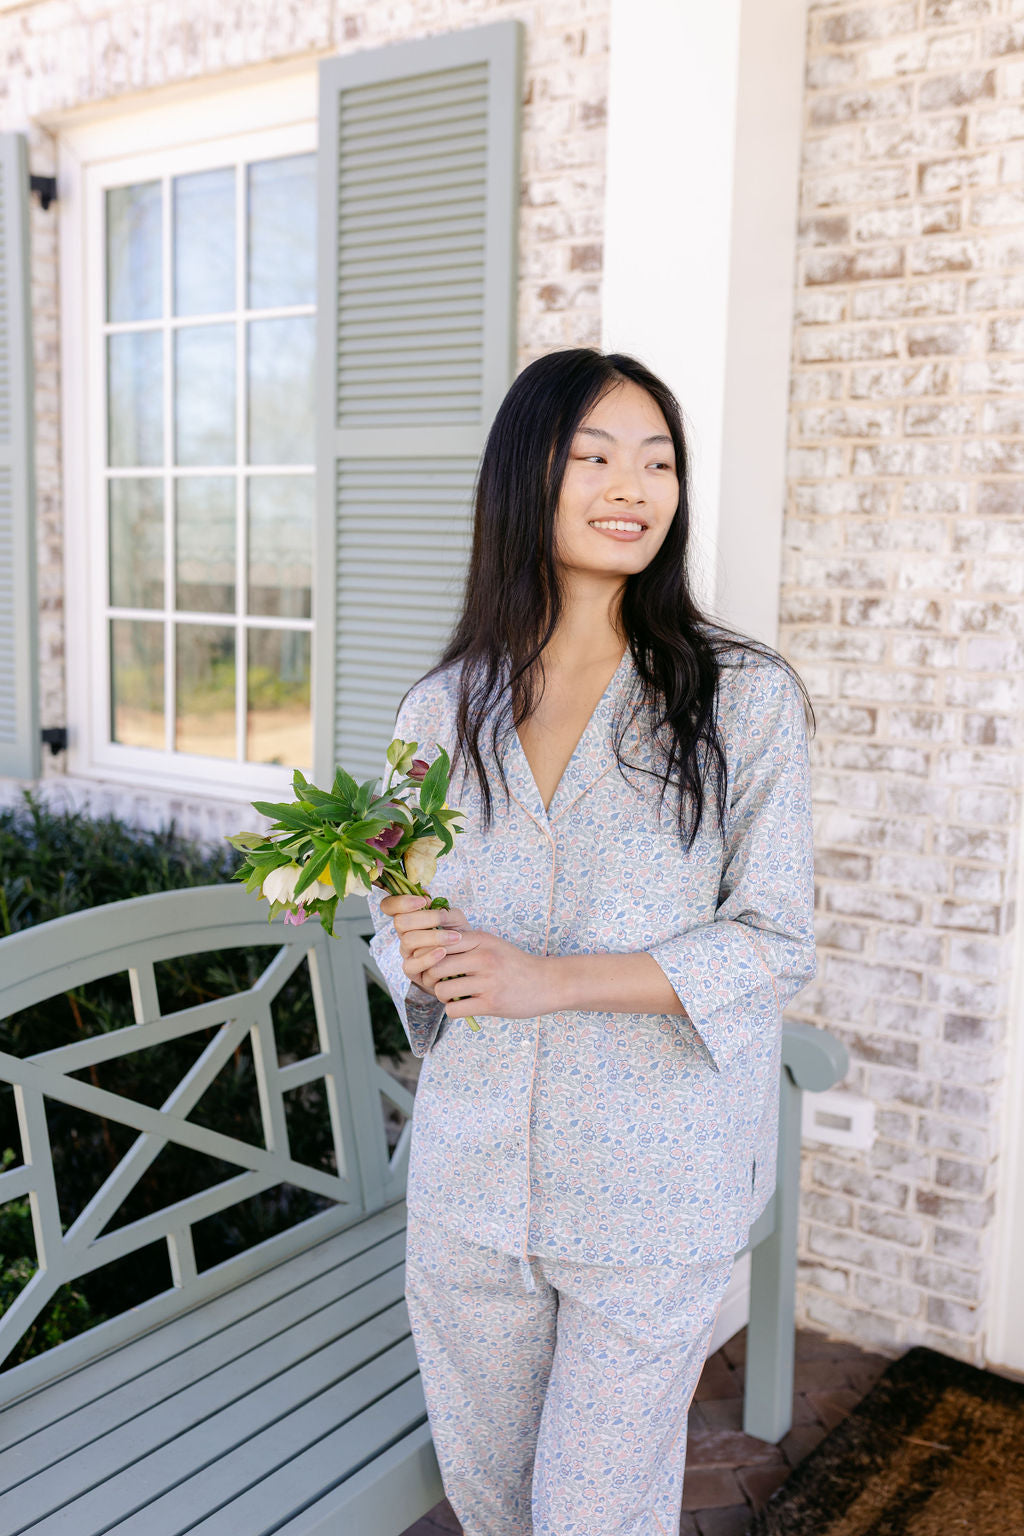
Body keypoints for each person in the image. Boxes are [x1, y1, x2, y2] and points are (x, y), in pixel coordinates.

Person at [366, 348, 817, 1536]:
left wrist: (548, 979)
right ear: (529, 477)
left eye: (658, 461)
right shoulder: (440, 707)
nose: (635, 485)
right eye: (596, 455)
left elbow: (774, 942)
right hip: (469, 1187)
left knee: (592, 1516)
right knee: (498, 1501)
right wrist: (409, 943)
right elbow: (390, 901)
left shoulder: (743, 700)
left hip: (653, 1185)